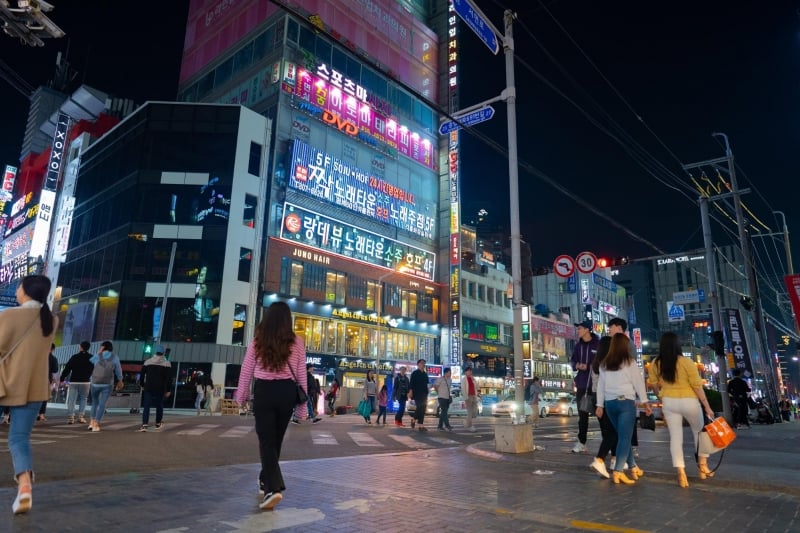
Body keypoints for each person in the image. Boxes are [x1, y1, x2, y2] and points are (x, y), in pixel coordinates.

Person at [236, 301, 307, 511]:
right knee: (275, 441)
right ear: (287, 320)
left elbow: (246, 369)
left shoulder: (258, 341)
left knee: (267, 441)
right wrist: (302, 408)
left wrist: (241, 397)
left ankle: (273, 489)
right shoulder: (297, 342)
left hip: (264, 392)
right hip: (286, 393)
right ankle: (264, 480)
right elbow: (301, 374)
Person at [0, 275, 58, 515]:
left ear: (25, 290)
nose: (15, 291)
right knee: (19, 438)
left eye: (18, 287)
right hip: (33, 387)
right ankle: (24, 487)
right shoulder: (50, 320)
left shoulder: (9, 315)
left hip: (4, 383)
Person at [648, 332, 715, 488]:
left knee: (676, 439)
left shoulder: (656, 363)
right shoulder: (686, 362)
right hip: (689, 401)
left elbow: (653, 384)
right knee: (700, 433)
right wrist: (707, 406)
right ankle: (703, 467)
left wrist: (660, 397)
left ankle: (681, 474)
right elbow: (697, 386)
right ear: (677, 345)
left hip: (670, 402)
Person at [595, 333, 650, 485]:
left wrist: (599, 405)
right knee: (625, 438)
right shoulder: (629, 362)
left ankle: (632, 467)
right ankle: (618, 471)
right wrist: (645, 401)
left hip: (610, 404)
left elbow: (601, 386)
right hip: (626, 403)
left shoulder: (604, 363)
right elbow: (639, 383)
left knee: (622, 437)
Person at [608, 318, 639, 458]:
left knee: (625, 422)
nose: (609, 329)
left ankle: (628, 451)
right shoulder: (614, 343)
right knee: (620, 425)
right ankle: (626, 454)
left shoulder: (627, 344)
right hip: (614, 389)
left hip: (624, 390)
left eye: (611, 327)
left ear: (619, 328)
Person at [589, 336, 616, 479]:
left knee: (607, 432)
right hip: (606, 399)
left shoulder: (595, 363)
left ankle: (613, 460)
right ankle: (600, 459)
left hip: (596, 399)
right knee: (613, 432)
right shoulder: (608, 364)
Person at [570, 319, 599, 453]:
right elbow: (573, 360)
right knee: (582, 416)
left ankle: (610, 443)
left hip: (596, 386)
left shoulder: (598, 344)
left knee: (602, 415)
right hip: (581, 384)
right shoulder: (578, 346)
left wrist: (588, 366)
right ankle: (581, 442)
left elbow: (601, 363)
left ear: (587, 329)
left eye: (580, 328)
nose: (578, 331)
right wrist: (576, 365)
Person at [88, 341, 124, 432]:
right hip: (107, 384)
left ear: (103, 347)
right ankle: (96, 423)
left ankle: (91, 422)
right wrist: (120, 380)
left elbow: (91, 361)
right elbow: (118, 370)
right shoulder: (114, 357)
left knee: (95, 402)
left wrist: (99, 352)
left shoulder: (98, 355)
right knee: (102, 404)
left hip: (95, 383)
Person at [138, 345, 173, 432]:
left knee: (147, 406)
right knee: (159, 405)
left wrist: (142, 385)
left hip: (148, 386)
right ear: (163, 353)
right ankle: (158, 423)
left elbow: (142, 375)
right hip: (160, 388)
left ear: (155, 352)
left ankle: (144, 425)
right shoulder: (167, 363)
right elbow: (169, 379)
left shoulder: (147, 362)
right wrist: (168, 390)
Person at [60, 341, 94, 425]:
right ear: (88, 348)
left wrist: (62, 379)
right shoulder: (92, 358)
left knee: (72, 399)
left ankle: (71, 417)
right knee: (83, 399)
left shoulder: (74, 357)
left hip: (74, 381)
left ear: (80, 347)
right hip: (85, 382)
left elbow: (67, 368)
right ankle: (81, 417)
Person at [36, 344, 58, 421]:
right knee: (44, 397)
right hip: (47, 379)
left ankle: (33, 413)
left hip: (36, 378)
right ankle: (41, 414)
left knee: (35, 396)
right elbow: (55, 370)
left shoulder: (39, 357)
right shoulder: (53, 359)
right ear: (53, 349)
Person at [409, 358, 429, 432]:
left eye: (424, 363)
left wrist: (428, 392)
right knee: (419, 407)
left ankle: (421, 425)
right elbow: (411, 383)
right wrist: (410, 391)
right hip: (417, 393)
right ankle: (414, 419)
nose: (423, 365)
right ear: (418, 364)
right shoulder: (415, 373)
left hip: (424, 393)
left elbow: (427, 384)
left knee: (423, 409)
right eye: (421, 363)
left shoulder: (425, 374)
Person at [461, 365, 480, 432]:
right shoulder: (464, 379)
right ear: (465, 372)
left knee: (474, 412)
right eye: (468, 371)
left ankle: (466, 422)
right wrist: (466, 397)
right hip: (468, 396)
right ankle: (470, 426)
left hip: (474, 396)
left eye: (470, 371)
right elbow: (463, 389)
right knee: (470, 412)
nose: (469, 372)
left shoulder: (473, 378)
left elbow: (477, 387)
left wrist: (473, 379)